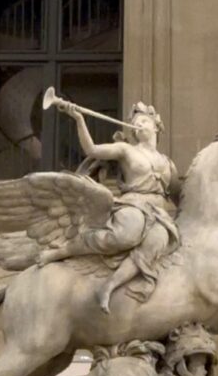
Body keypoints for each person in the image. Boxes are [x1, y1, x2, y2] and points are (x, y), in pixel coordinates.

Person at [37, 99, 180, 312]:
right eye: (136, 122)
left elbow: (179, 197)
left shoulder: (167, 163)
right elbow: (92, 149)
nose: (139, 125)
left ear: (156, 126)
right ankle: (64, 250)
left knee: (156, 243)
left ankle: (109, 287)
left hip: (159, 215)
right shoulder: (126, 150)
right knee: (126, 235)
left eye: (144, 121)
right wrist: (79, 119)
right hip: (134, 206)